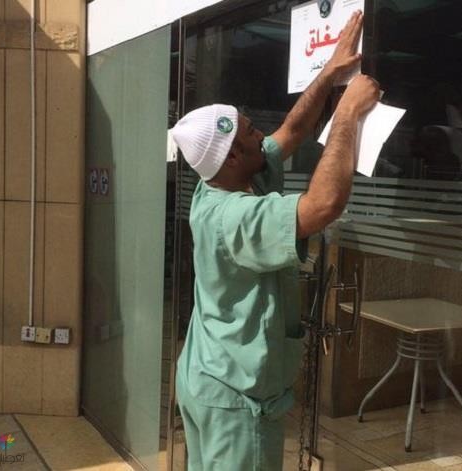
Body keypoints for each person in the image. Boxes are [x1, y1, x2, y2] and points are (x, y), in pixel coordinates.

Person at [171, 10, 379, 471]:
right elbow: (323, 204)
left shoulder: (223, 177)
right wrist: (348, 113)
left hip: (209, 378)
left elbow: (292, 130)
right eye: (250, 133)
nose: (262, 135)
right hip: (236, 401)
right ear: (231, 157)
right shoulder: (233, 217)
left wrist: (330, 73)